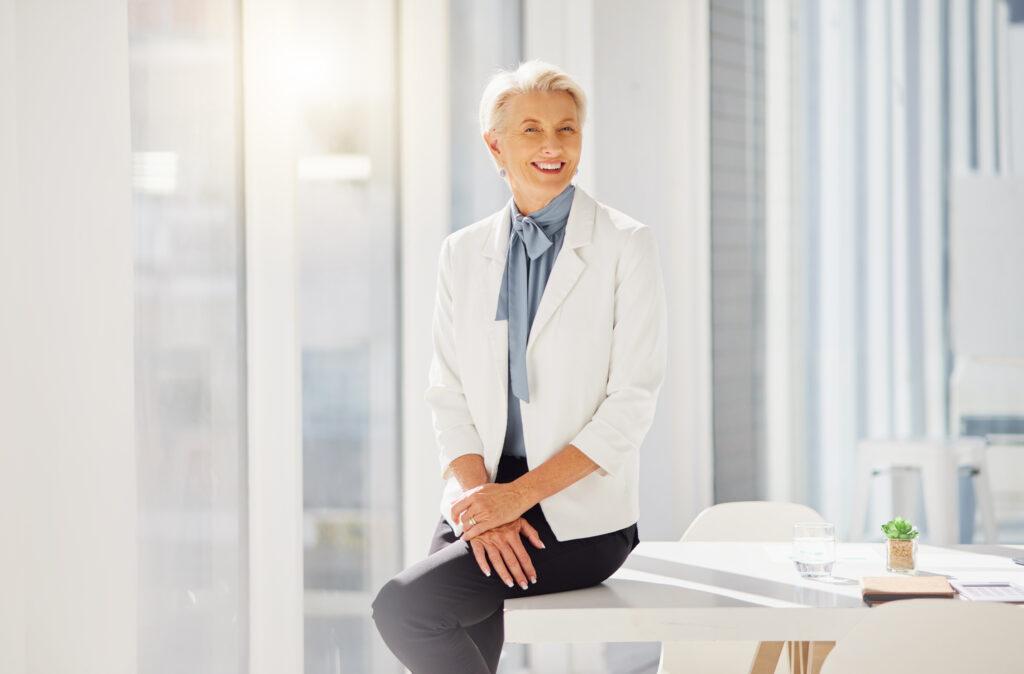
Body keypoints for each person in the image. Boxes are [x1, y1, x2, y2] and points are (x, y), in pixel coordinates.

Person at [372, 60, 667, 674]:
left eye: (567, 129)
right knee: (445, 627)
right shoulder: (462, 252)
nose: (553, 145)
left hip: (581, 512)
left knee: (407, 609)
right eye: (532, 129)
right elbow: (446, 391)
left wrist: (518, 500)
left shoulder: (625, 245)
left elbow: (630, 405)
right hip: (481, 493)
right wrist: (484, 500)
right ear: (495, 144)